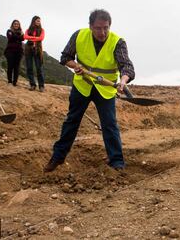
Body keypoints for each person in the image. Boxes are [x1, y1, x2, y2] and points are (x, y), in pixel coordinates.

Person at [44, 9, 135, 172]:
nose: (103, 32)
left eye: (106, 28)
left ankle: (117, 163)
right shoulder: (79, 36)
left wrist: (123, 81)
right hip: (82, 85)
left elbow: (126, 66)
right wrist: (75, 66)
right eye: (98, 28)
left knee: (110, 125)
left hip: (105, 90)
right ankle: (57, 158)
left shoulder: (117, 42)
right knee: (72, 121)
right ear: (91, 26)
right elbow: (65, 57)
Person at [24, 16, 45, 92]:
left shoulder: (42, 30)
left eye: (39, 21)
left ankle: (41, 86)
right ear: (33, 21)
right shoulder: (28, 30)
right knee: (29, 68)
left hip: (37, 50)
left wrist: (31, 38)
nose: (39, 22)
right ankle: (32, 84)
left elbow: (41, 38)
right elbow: (25, 36)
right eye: (37, 21)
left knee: (39, 68)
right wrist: (35, 38)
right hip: (28, 50)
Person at [4, 20, 24, 86]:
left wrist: (16, 37)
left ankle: (15, 82)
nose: (16, 25)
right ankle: (9, 81)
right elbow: (10, 37)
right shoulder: (9, 31)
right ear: (12, 25)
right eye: (15, 24)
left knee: (16, 67)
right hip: (10, 51)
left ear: (19, 25)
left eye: (17, 24)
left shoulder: (21, 32)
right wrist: (19, 38)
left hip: (19, 52)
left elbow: (23, 38)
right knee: (10, 66)